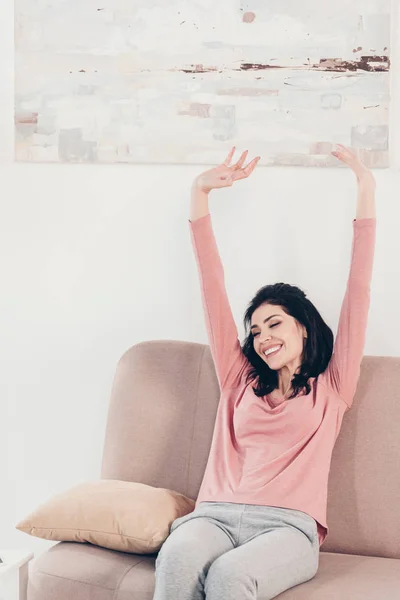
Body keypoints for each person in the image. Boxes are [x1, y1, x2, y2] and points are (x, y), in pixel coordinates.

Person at [153, 145, 376, 600]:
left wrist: (366, 187)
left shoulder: (332, 387)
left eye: (274, 323)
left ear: (303, 326)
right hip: (214, 515)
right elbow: (211, 286)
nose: (262, 337)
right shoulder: (239, 381)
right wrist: (199, 195)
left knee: (230, 576)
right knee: (176, 556)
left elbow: (359, 288)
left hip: (287, 528)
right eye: (255, 330)